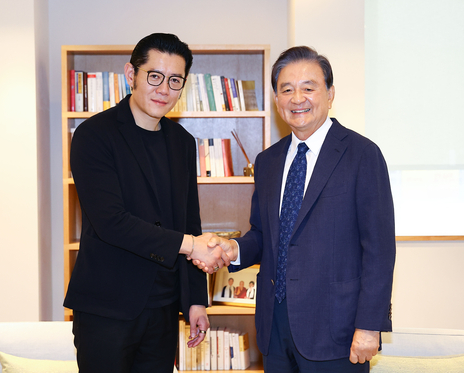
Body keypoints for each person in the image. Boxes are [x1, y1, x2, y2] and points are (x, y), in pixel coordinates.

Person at [204, 46, 396, 372]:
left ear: (330, 93)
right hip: (274, 329)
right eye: (287, 89)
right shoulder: (267, 162)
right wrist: (233, 249)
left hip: (337, 331)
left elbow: (379, 250)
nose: (298, 98)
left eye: (309, 87)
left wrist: (369, 325)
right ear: (277, 100)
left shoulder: (362, 155)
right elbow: (264, 235)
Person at [63, 33, 228, 373]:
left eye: (174, 80)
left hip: (165, 310)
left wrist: (196, 300)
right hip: (106, 309)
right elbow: (112, 222)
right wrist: (190, 246)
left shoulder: (182, 143)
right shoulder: (93, 136)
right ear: (131, 74)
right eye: (154, 76)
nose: (163, 89)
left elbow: (189, 222)